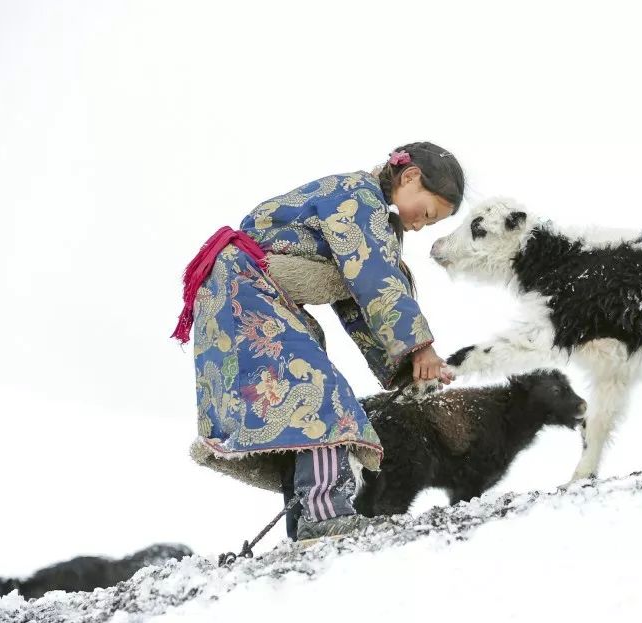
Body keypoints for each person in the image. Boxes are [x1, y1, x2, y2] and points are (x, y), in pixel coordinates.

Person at [172, 142, 464, 541]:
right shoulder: (357, 198)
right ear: (409, 177)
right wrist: (419, 347)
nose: (418, 226)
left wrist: (403, 366)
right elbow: (375, 279)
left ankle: (306, 523)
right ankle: (324, 514)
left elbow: (356, 301)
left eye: (428, 226)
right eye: (427, 214)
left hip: (248, 291)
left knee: (298, 399)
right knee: (318, 395)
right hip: (246, 288)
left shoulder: (366, 216)